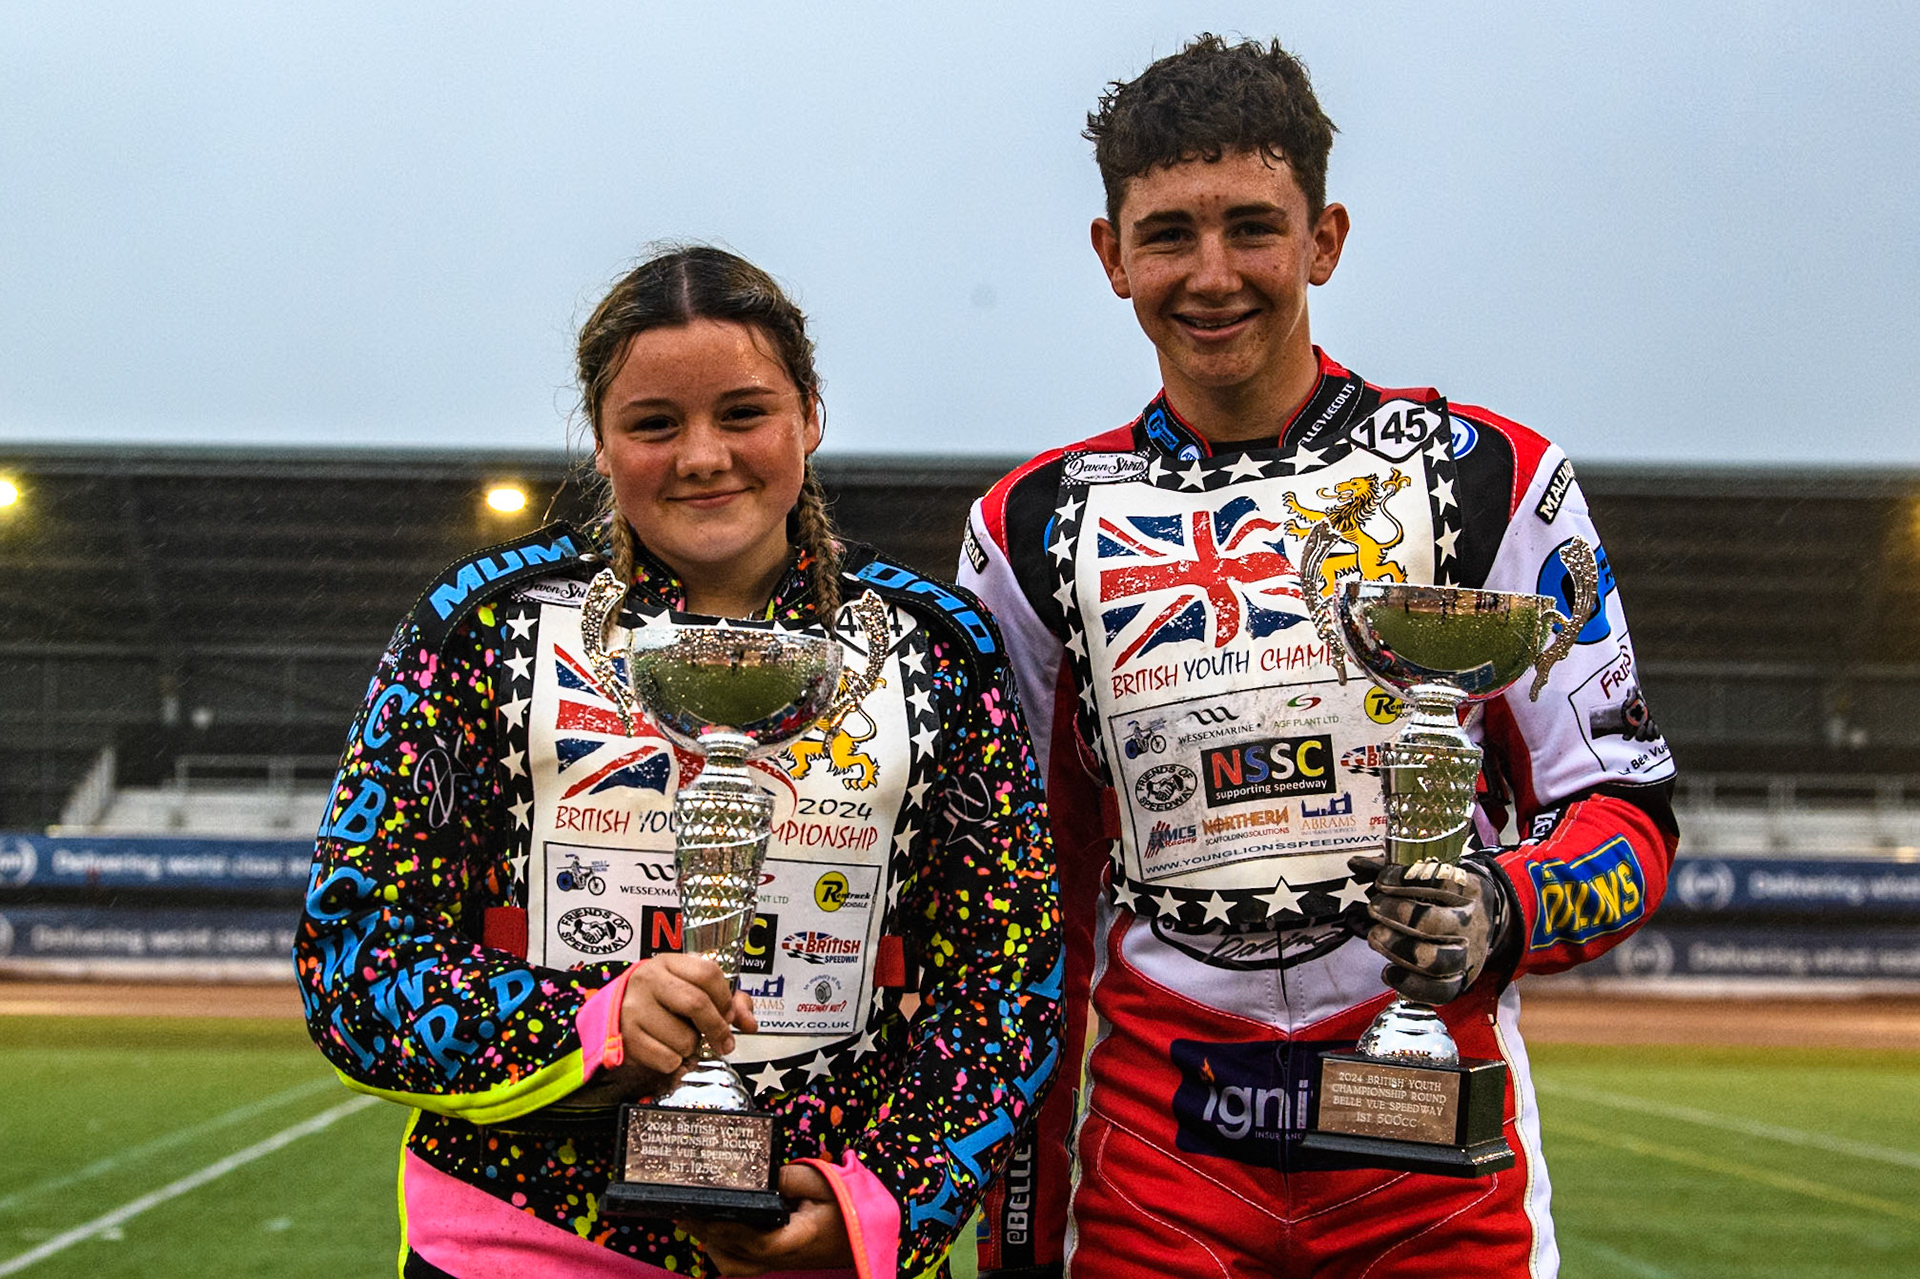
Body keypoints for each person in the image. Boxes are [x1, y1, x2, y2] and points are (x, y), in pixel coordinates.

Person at [957, 36, 1679, 1279]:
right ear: (1111, 253)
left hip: (1433, 1157)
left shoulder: (1492, 476)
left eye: (1254, 226)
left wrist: (1505, 909)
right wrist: (1025, 1229)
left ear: (1324, 238)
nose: (1214, 273)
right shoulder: (1026, 529)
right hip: (1158, 1158)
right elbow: (1031, 905)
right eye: (1170, 232)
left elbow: (1624, 811)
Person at [294, 245, 1062, 1279]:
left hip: (821, 1248)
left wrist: (884, 1198)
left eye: (743, 413)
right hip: (521, 1241)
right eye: (655, 423)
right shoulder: (477, 628)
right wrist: (592, 1025)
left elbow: (1011, 977)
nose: (704, 456)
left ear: (811, 416)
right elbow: (351, 955)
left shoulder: (934, 648)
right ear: (603, 444)